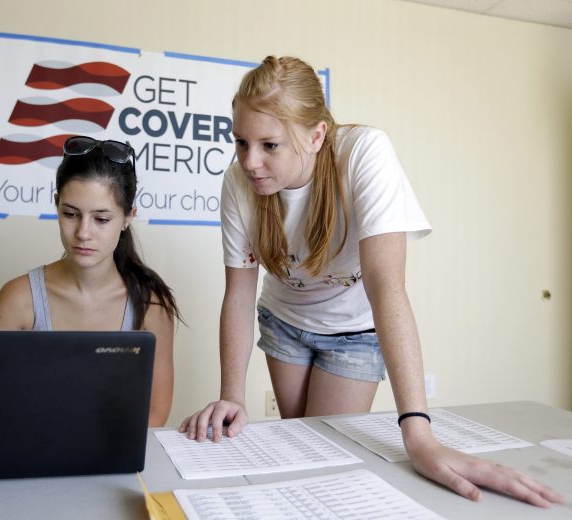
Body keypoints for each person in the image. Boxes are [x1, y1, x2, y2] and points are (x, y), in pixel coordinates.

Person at [180, 56, 564, 507]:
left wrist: (418, 433)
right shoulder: (239, 183)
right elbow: (239, 296)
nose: (250, 161)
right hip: (284, 320)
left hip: (354, 331)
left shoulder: (364, 154)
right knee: (300, 448)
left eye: (269, 145)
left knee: (325, 450)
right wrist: (232, 396)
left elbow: (387, 288)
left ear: (316, 135)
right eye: (240, 142)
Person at [0, 136, 180, 427]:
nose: (83, 233)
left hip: (116, 464)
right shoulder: (18, 299)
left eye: (101, 219)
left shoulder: (151, 306)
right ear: (56, 206)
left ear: (128, 217)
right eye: (71, 214)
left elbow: (154, 415)